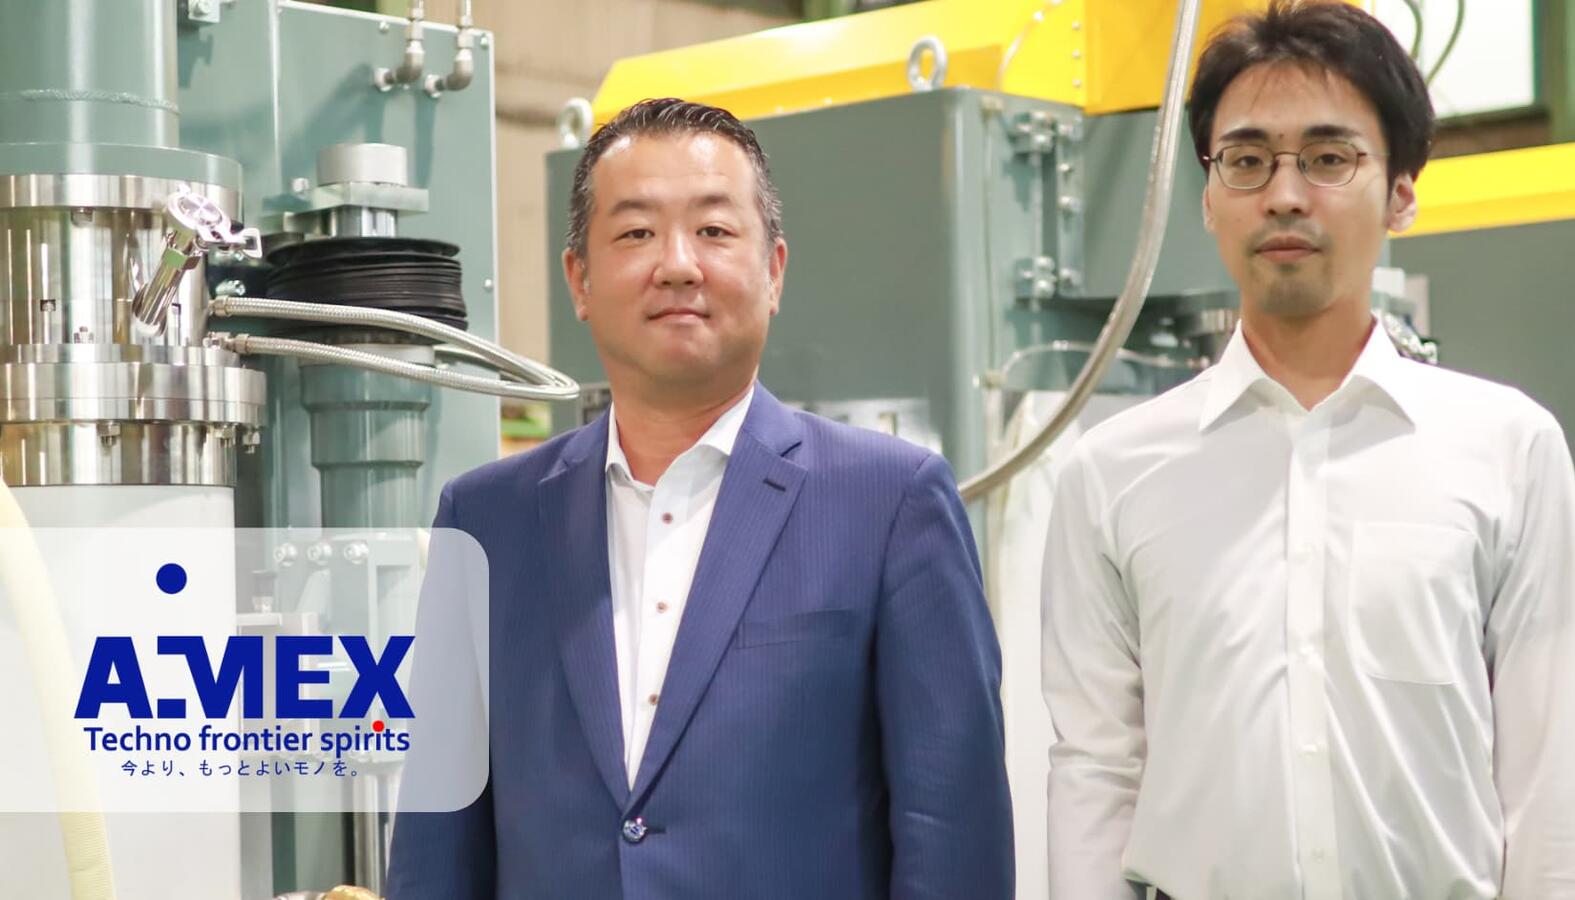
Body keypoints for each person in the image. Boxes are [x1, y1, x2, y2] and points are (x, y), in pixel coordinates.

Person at [386, 98, 1014, 899]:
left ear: (774, 271)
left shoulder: (891, 503)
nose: (677, 264)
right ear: (579, 280)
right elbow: (437, 838)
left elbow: (952, 833)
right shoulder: (485, 520)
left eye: (714, 230)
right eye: (635, 233)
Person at [1040, 3, 1575, 899]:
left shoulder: (1507, 449)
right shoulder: (1110, 472)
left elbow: (1547, 765)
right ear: (1207, 195)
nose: (1284, 195)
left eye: (1328, 158)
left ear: (1400, 192)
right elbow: (1095, 770)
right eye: (1246, 160)